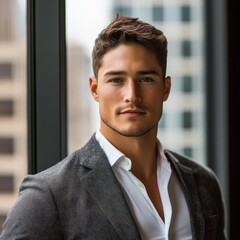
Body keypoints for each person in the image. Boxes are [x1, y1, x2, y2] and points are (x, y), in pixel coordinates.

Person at [0, 16, 226, 240]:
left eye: (146, 79)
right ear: (94, 88)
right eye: (117, 80)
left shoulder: (202, 183)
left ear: (165, 88)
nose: (132, 96)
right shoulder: (47, 195)